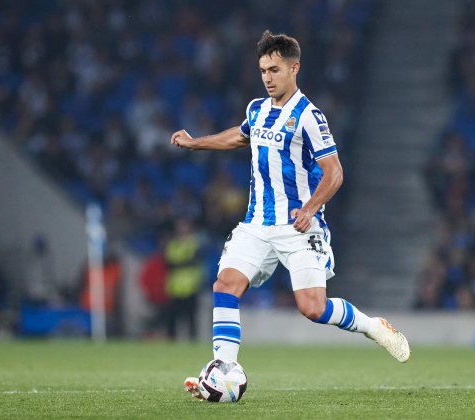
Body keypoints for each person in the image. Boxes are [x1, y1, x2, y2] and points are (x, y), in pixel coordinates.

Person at [171, 30, 410, 399]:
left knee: (312, 308)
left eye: (275, 69)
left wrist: (311, 208)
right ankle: (223, 370)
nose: (267, 77)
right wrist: (195, 142)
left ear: (294, 68)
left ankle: (373, 326)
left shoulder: (310, 117)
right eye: (263, 70)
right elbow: (241, 136)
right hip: (256, 224)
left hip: (299, 226)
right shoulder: (258, 108)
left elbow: (335, 172)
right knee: (225, 286)